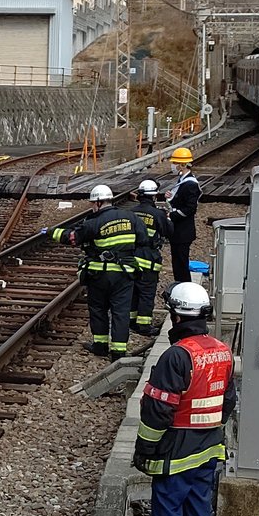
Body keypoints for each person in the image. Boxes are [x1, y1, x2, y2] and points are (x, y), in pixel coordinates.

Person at [136, 281, 236, 516]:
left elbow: (156, 412)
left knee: (167, 513)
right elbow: (228, 402)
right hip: (209, 447)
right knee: (198, 514)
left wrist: (145, 450)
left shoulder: (176, 357)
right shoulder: (221, 350)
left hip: (176, 452)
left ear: (175, 315)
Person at [49, 184, 145, 359]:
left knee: (98, 309)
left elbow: (72, 238)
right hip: (125, 274)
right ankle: (119, 351)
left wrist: (51, 232)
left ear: (99, 203)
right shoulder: (131, 218)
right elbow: (143, 239)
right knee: (121, 311)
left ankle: (100, 346)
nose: (92, 206)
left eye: (93, 203)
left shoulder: (93, 222)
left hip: (99, 275)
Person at [128, 179, 175, 337]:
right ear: (154, 197)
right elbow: (169, 232)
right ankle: (144, 326)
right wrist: (167, 218)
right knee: (146, 293)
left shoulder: (131, 212)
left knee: (133, 291)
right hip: (149, 258)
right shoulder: (158, 214)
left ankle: (131, 321)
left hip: (132, 258)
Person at [164, 147, 201, 284]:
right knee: (177, 261)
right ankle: (179, 284)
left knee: (181, 263)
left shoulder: (190, 184)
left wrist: (172, 215)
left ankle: (184, 285)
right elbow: (180, 199)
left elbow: (190, 208)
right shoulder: (183, 179)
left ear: (183, 165)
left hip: (183, 231)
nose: (173, 165)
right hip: (179, 231)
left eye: (175, 163)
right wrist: (170, 197)